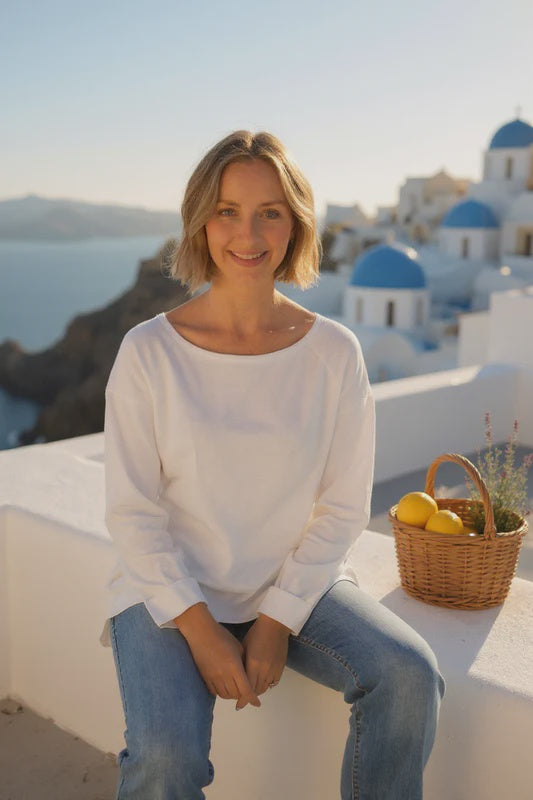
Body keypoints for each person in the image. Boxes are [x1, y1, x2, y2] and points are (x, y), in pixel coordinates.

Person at [100, 130, 445, 799]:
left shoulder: (334, 353)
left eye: (269, 212)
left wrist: (275, 620)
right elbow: (134, 513)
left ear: (296, 224)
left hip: (293, 582)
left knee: (408, 676)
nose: (247, 234)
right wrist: (202, 633)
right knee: (164, 757)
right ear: (201, 220)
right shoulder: (148, 352)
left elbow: (342, 506)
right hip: (165, 588)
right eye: (227, 210)